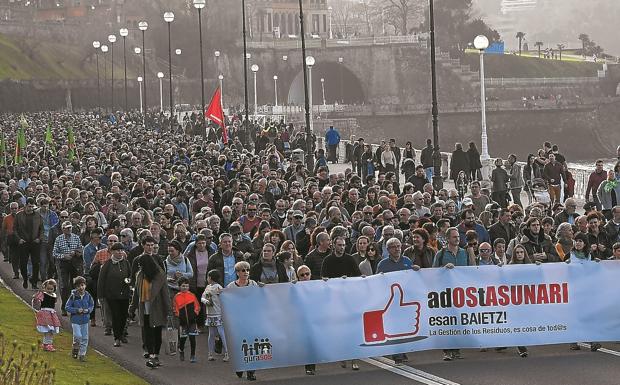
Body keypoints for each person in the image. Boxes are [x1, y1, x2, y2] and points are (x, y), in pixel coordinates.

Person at [432, 227, 474, 361]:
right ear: (448, 239)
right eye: (454, 237)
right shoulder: (441, 254)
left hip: (461, 293)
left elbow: (471, 270)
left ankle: (456, 349)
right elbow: (433, 272)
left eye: (458, 237)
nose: (457, 239)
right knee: (447, 322)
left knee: (458, 321)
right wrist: (443, 269)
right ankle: (447, 350)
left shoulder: (464, 252)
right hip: (445, 293)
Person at [129, 253, 172, 369]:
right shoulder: (140, 275)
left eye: (141, 265)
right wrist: (132, 307)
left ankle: (155, 355)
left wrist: (169, 311)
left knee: (157, 332)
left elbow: (165, 295)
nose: (139, 267)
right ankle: (152, 355)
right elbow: (136, 293)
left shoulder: (160, 275)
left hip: (157, 308)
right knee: (147, 332)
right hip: (144, 307)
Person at [227, 261, 258, 381]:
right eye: (243, 270)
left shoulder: (254, 284)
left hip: (252, 319)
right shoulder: (231, 286)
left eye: (247, 270)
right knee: (240, 345)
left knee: (252, 345)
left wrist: (261, 288)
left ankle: (251, 371)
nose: (246, 272)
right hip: (238, 320)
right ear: (237, 272)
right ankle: (239, 366)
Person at [97, 242, 132, 347]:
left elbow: (131, 276)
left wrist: (129, 281)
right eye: (118, 250)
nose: (120, 252)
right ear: (112, 252)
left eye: (122, 250)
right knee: (116, 316)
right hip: (112, 295)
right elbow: (101, 280)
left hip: (125, 295)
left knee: (123, 316)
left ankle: (121, 334)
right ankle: (117, 338)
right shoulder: (107, 264)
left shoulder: (126, 263)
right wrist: (101, 296)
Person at [52, 221, 83, 316]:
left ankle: (74, 307)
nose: (69, 229)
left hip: (74, 263)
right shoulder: (58, 239)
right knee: (65, 286)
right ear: (63, 229)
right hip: (64, 264)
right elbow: (54, 253)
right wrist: (64, 256)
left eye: (70, 227)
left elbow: (81, 249)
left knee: (75, 285)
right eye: (67, 228)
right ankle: (64, 306)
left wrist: (76, 252)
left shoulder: (76, 237)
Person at [14, 197, 44, 289]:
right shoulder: (19, 215)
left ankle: (34, 282)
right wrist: (19, 239)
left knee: (36, 263)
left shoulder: (38, 216)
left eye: (32, 206)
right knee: (23, 263)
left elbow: (42, 229)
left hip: (35, 242)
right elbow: (15, 229)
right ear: (26, 205)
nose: (31, 208)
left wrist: (39, 238)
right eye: (29, 206)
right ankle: (25, 279)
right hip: (24, 242)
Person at [65, 276, 95, 362]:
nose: (81, 287)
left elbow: (91, 305)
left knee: (85, 338)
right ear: (76, 287)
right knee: (78, 336)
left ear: (85, 285)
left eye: (82, 285)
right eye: (78, 286)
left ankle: (82, 354)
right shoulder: (73, 296)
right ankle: (75, 348)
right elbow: (67, 307)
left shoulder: (88, 296)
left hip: (85, 320)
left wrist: (88, 310)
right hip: (75, 320)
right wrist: (76, 310)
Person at [202, 269, 229, 362]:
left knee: (221, 332)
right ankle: (210, 353)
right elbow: (202, 297)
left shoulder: (218, 287)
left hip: (218, 313)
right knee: (212, 333)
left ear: (210, 277)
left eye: (208, 277)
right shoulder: (208, 287)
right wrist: (206, 301)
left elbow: (223, 297)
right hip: (210, 313)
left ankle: (227, 352)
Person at [173, 276, 200, 363]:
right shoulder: (177, 297)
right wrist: (178, 315)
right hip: (182, 322)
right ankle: (181, 350)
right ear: (179, 287)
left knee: (192, 338)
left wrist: (195, 313)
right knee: (183, 339)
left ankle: (193, 355)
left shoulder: (192, 295)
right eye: (183, 286)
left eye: (186, 286)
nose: (185, 288)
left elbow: (197, 306)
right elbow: (175, 308)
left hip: (192, 321)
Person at [32, 279, 61, 352]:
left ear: (54, 289)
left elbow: (54, 302)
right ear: (45, 288)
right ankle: (48, 344)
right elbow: (35, 300)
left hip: (51, 314)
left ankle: (47, 344)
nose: (50, 290)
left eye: (51, 289)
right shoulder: (43, 295)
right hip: (45, 313)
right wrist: (38, 294)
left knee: (50, 330)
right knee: (49, 329)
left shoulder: (54, 295)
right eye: (48, 288)